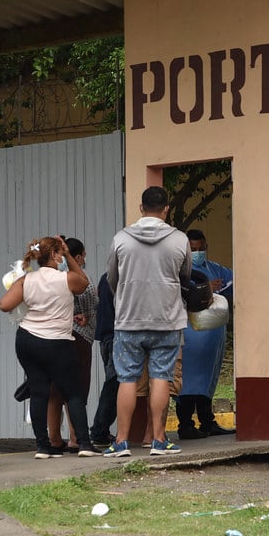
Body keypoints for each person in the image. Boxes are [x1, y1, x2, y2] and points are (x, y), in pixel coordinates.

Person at [103, 186, 192, 457]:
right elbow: (185, 276)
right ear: (166, 209)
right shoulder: (180, 240)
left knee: (127, 379)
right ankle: (159, 440)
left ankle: (120, 442)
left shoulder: (121, 239)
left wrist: (126, 298)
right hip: (167, 320)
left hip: (129, 321)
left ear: (141, 208)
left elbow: (111, 279)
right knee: (161, 378)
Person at [0, 236, 100, 459]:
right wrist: (69, 255)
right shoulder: (66, 279)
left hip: (27, 340)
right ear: (55, 255)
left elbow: (4, 304)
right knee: (73, 393)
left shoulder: (27, 280)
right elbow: (84, 283)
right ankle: (83, 443)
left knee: (39, 392)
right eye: (60, 253)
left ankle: (43, 446)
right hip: (57, 342)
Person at [176, 229, 235, 439]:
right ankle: (185, 425)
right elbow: (179, 295)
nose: (198, 252)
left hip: (212, 341)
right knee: (187, 383)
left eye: (201, 248)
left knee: (206, 382)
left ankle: (207, 422)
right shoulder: (180, 272)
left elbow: (236, 281)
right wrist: (205, 288)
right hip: (190, 339)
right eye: (193, 249)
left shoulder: (215, 268)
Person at [46, 237, 97, 452]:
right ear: (76, 257)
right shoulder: (76, 279)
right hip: (78, 338)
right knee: (76, 392)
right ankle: (77, 438)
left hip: (52, 338)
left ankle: (54, 439)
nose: (84, 260)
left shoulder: (44, 278)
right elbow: (89, 297)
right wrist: (85, 315)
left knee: (54, 391)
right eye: (83, 256)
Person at [88, 273, 117, 448]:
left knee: (112, 382)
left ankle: (101, 431)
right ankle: (99, 430)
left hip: (105, 336)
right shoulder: (120, 277)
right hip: (116, 335)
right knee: (114, 383)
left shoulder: (105, 277)